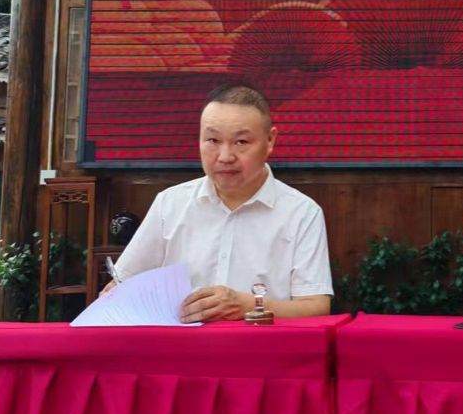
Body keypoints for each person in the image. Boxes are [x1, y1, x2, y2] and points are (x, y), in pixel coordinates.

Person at [105, 83, 332, 321]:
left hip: (259, 343)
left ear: (269, 140)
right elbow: (120, 285)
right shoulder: (170, 204)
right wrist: (114, 297)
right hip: (180, 342)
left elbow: (316, 307)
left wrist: (249, 306)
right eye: (213, 140)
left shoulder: (301, 213)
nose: (225, 157)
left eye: (241, 142)